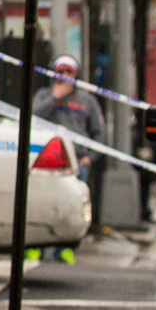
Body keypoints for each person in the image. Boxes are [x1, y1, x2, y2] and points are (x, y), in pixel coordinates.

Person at [32, 53, 106, 208]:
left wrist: (90, 158)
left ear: (76, 75)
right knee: (48, 202)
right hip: (49, 160)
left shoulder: (87, 100)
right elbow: (32, 117)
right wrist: (54, 98)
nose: (65, 76)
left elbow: (99, 132)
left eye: (69, 72)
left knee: (76, 204)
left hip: (78, 161)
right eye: (61, 72)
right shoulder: (44, 95)